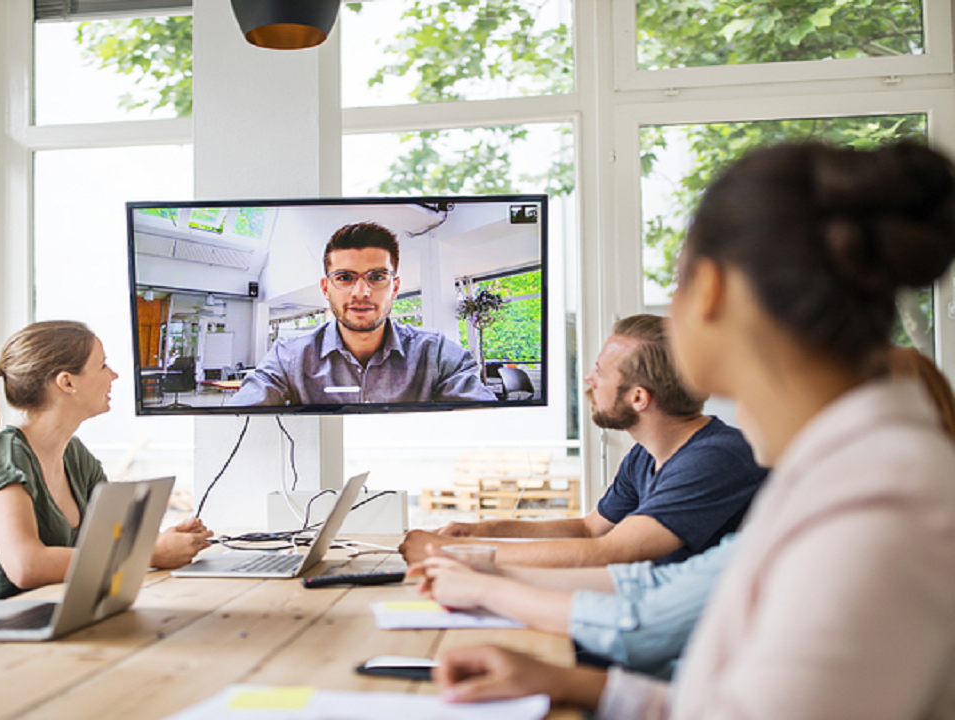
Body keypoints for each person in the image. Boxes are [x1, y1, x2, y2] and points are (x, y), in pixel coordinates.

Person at [433, 141, 955, 718]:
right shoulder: (831, 466)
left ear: (710, 291)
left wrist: (484, 574)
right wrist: (576, 684)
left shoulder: (879, 500)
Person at [415, 350, 955, 681]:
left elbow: (634, 605)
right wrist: (482, 550)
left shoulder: (740, 468)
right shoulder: (798, 511)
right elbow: (639, 571)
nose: (741, 407)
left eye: (766, 389)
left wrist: (482, 575)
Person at [400, 314, 767, 568]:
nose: (589, 379)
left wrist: (459, 551)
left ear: (638, 398)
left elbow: (611, 552)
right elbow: (590, 529)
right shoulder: (646, 455)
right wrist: (479, 530)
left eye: (601, 372)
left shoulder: (715, 458)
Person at [0, 321, 214, 616]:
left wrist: (163, 541)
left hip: (45, 616)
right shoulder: (4, 455)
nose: (114, 375)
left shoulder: (76, 457)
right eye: (102, 365)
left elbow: (112, 541)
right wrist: (150, 553)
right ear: (66, 382)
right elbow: (26, 565)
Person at [227, 221, 497, 406]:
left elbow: (484, 424)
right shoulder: (289, 355)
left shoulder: (435, 353)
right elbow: (239, 415)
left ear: (395, 287)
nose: (361, 292)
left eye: (377, 277)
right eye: (345, 277)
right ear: (326, 287)